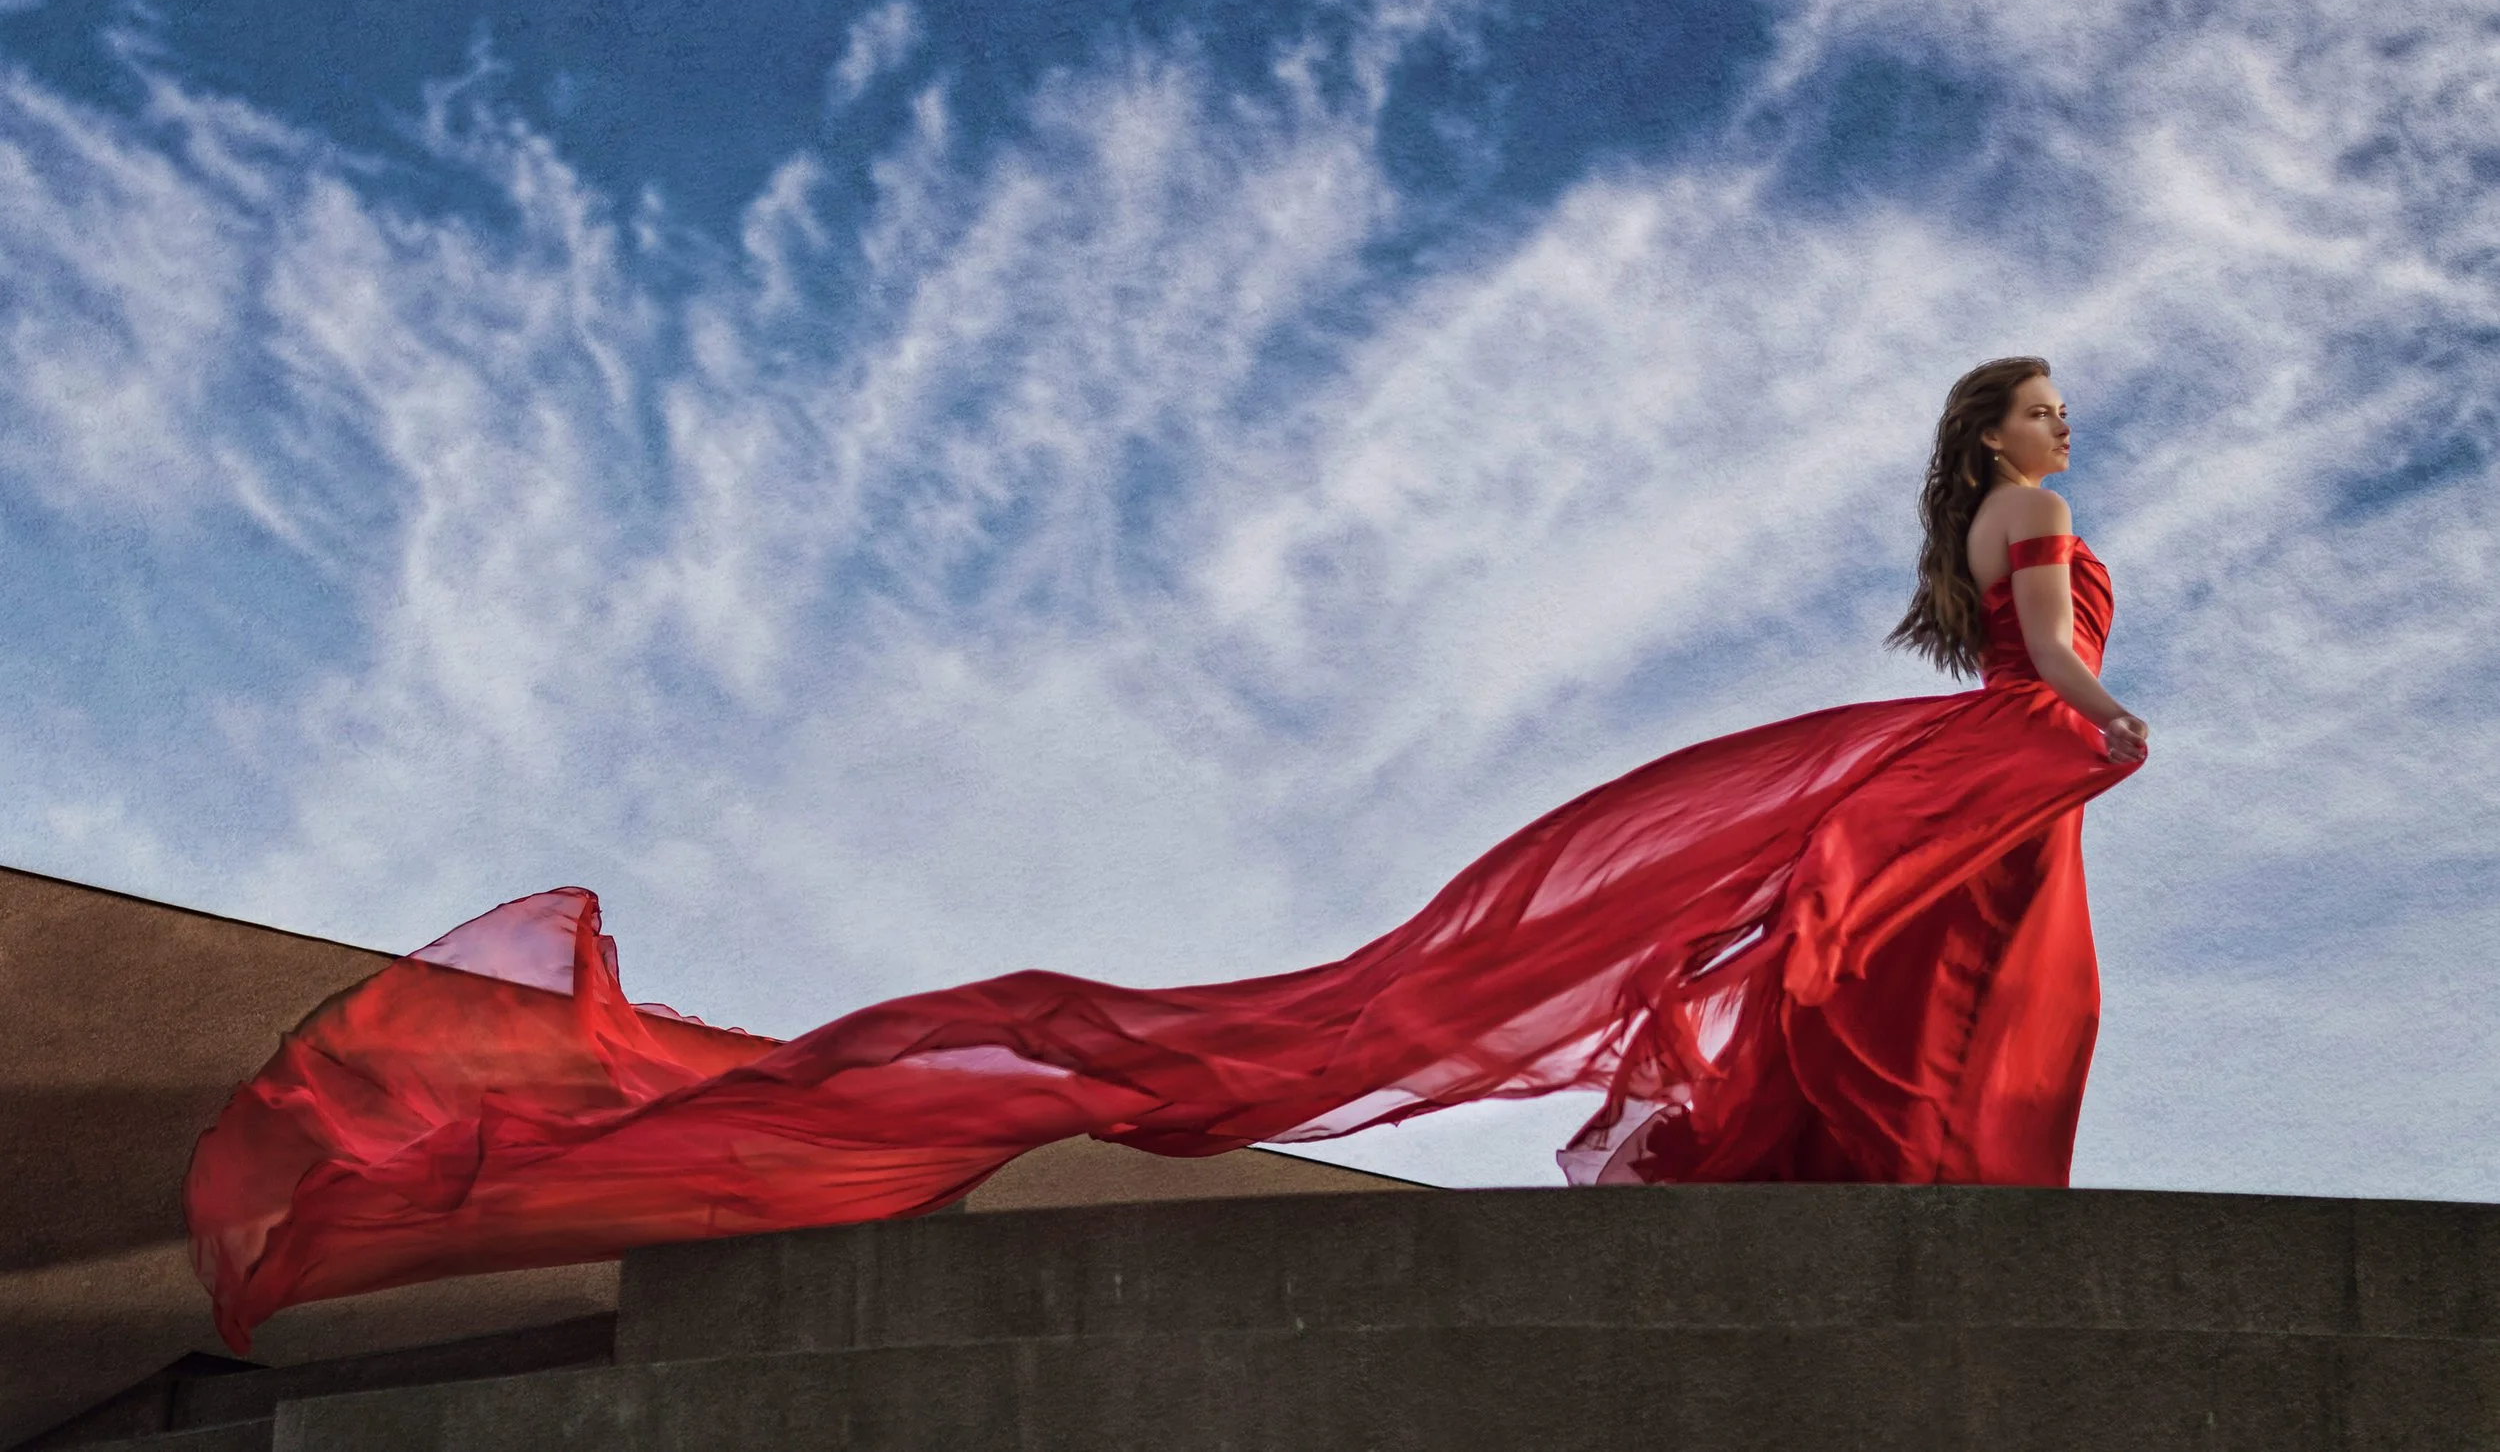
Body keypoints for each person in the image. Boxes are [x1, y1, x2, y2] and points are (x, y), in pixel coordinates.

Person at [187, 356, 2148, 1351]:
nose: (2056, 428)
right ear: (1990, 444)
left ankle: (1904, 1233)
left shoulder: (1978, 531)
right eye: (2033, 410)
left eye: (2055, 409)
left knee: (1912, 1013)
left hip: (1976, 795)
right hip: (1997, 787)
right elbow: (2053, 654)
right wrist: (2101, 713)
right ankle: (1918, 1246)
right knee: (1952, 1016)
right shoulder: (2033, 514)